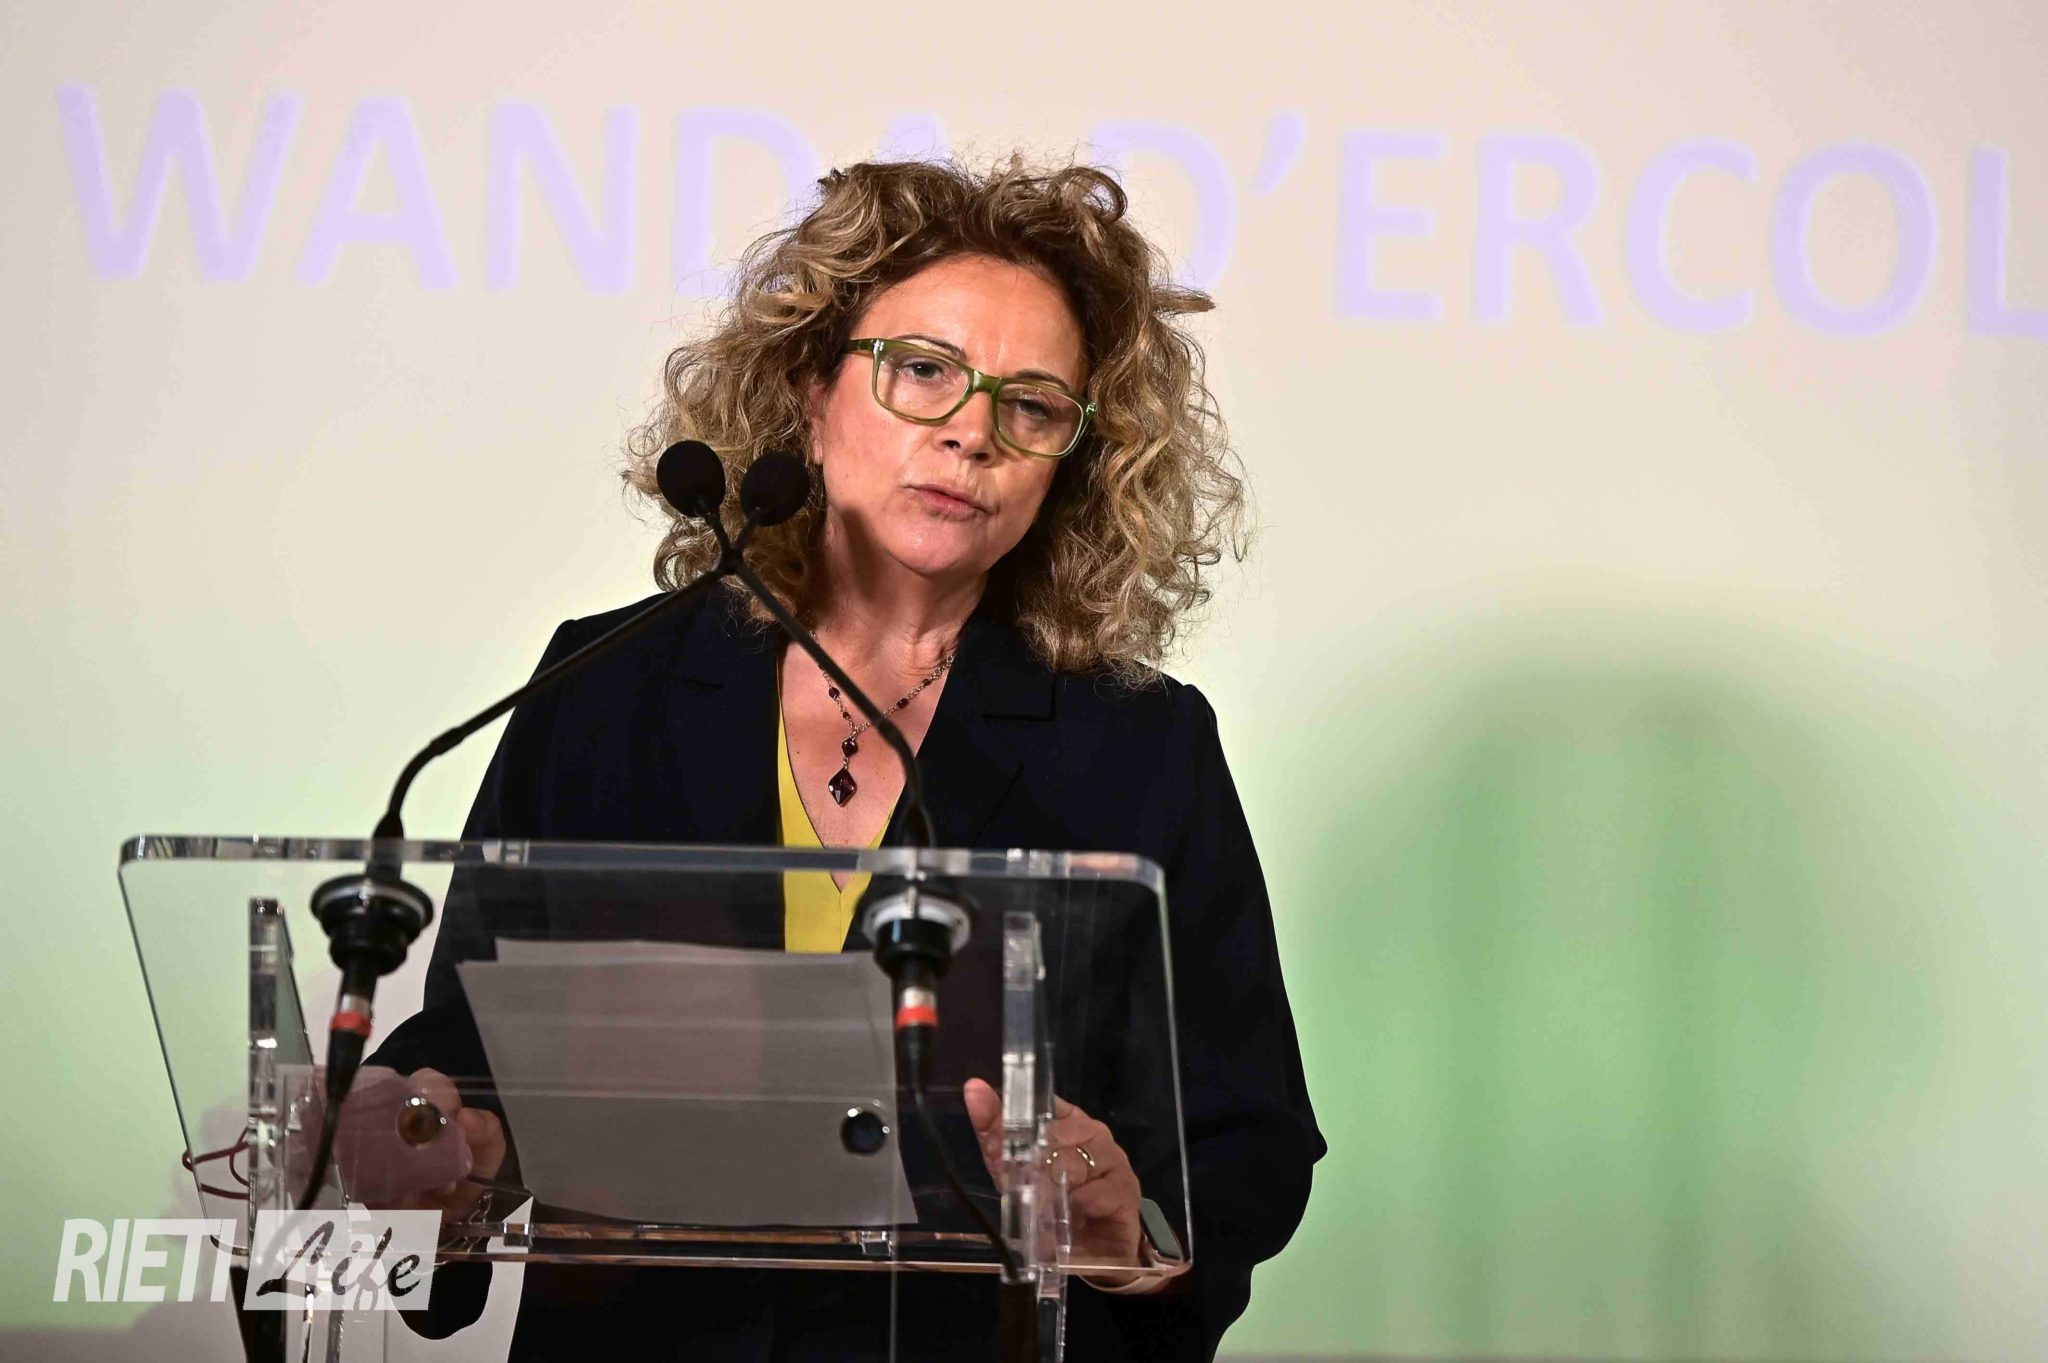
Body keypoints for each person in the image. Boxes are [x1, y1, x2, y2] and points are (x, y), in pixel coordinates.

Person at [372, 157, 1323, 1361]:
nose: (970, 432)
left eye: (1032, 406)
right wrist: (444, 1142)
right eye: (922, 370)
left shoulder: (1139, 744)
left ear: (1068, 464)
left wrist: (1122, 1227)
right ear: (810, 395)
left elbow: (1243, 1137)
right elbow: (476, 1050)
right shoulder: (602, 689)